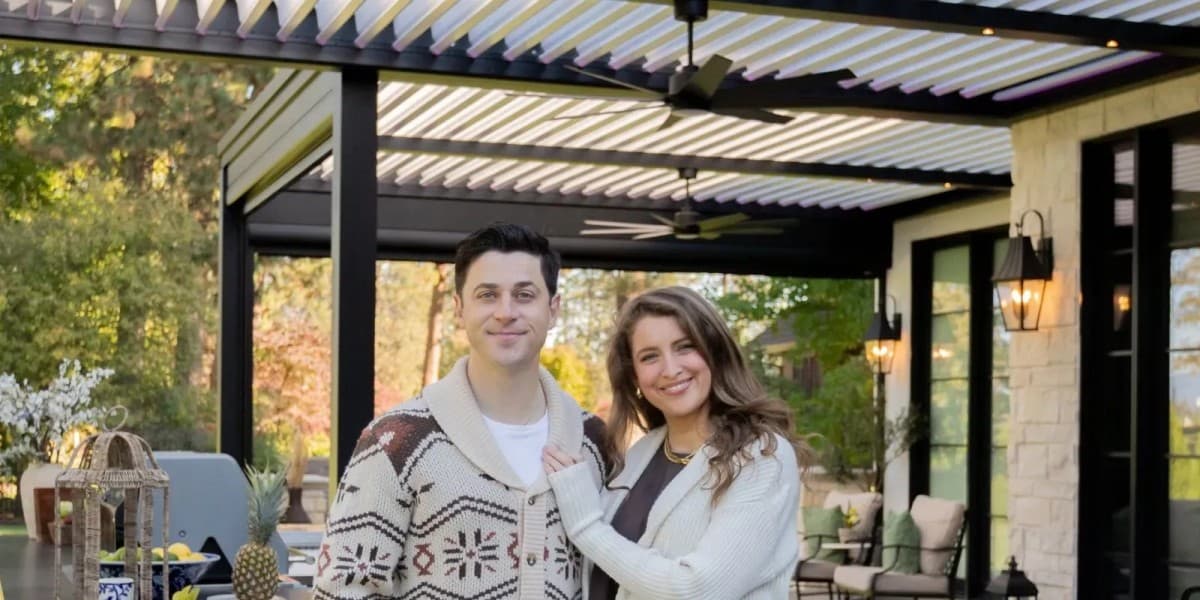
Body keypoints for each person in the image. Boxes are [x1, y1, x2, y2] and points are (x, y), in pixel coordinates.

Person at [313, 223, 610, 600]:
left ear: (553, 310)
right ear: (458, 308)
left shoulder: (595, 442)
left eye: (524, 294)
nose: (506, 312)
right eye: (487, 295)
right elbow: (343, 589)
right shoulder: (395, 440)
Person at [543, 286, 805, 599]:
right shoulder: (642, 453)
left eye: (685, 347)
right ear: (635, 376)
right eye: (650, 356)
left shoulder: (761, 457)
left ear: (714, 352)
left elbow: (698, 590)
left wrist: (586, 526)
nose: (670, 369)